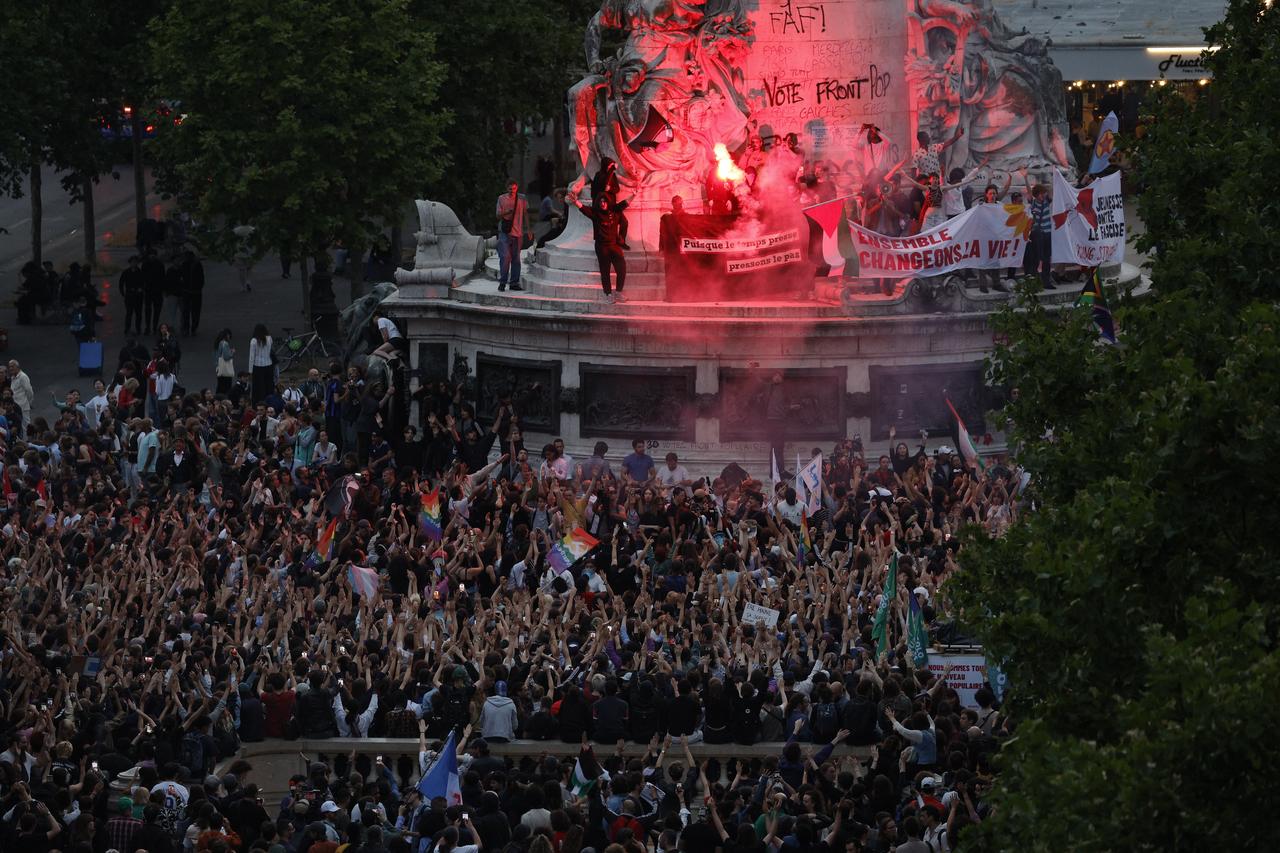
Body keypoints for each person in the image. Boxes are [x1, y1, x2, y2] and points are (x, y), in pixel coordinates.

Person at [568, 190, 630, 303]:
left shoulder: (615, 212)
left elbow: (625, 203)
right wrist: (576, 201)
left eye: (604, 201)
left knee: (621, 269)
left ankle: (618, 293)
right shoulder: (596, 214)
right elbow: (584, 209)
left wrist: (634, 194)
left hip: (614, 246)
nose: (603, 203)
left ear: (608, 202)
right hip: (602, 247)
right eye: (601, 201)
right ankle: (608, 294)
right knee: (605, 271)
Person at [496, 179, 531, 292]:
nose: (512, 191)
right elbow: (497, 215)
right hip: (505, 232)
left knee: (516, 259)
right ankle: (503, 282)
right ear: (507, 188)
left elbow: (525, 213)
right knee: (505, 257)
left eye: (514, 188)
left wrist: (529, 229)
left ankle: (514, 283)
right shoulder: (501, 198)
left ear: (517, 188)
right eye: (510, 189)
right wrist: (507, 213)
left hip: (518, 232)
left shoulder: (522, 198)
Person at [1026, 183, 1055, 289]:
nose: (1043, 195)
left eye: (1043, 193)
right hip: (1037, 233)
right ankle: (1033, 281)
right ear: (1036, 195)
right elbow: (1029, 192)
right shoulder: (1033, 203)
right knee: (1037, 258)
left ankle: (1046, 281)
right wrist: (1025, 178)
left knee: (1047, 258)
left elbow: (1051, 191)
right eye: (1041, 194)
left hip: (1047, 232)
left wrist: (1053, 174)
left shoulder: (1047, 202)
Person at [119, 254, 146, 335]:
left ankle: (138, 329)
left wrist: (141, 289)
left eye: (135, 262)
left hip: (138, 295)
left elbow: (144, 283)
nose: (134, 263)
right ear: (130, 263)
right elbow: (121, 283)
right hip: (129, 295)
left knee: (138, 314)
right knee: (129, 313)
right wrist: (123, 293)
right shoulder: (126, 272)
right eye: (132, 262)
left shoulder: (140, 272)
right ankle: (127, 329)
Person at [141, 248, 165, 334]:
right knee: (148, 309)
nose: (152, 256)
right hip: (149, 290)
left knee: (156, 310)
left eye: (153, 255)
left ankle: (154, 327)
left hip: (157, 290)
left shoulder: (159, 265)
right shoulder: (146, 264)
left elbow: (163, 278)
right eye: (151, 255)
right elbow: (142, 278)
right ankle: (148, 327)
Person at [182, 250, 206, 335]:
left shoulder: (188, 265)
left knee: (188, 311)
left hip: (191, 291)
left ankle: (189, 328)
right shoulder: (194, 265)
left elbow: (201, 278)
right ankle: (191, 328)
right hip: (193, 291)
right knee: (193, 311)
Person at [249, 324, 274, 404]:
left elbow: (251, 357)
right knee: (269, 386)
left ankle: (259, 403)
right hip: (269, 365)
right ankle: (269, 403)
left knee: (258, 388)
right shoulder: (269, 338)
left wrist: (250, 371)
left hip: (257, 366)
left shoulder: (254, 340)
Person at [214, 329, 236, 395]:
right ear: (227, 335)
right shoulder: (225, 344)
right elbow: (226, 357)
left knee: (220, 386)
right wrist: (232, 352)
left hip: (219, 368)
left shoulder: (218, 343)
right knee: (226, 387)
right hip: (225, 370)